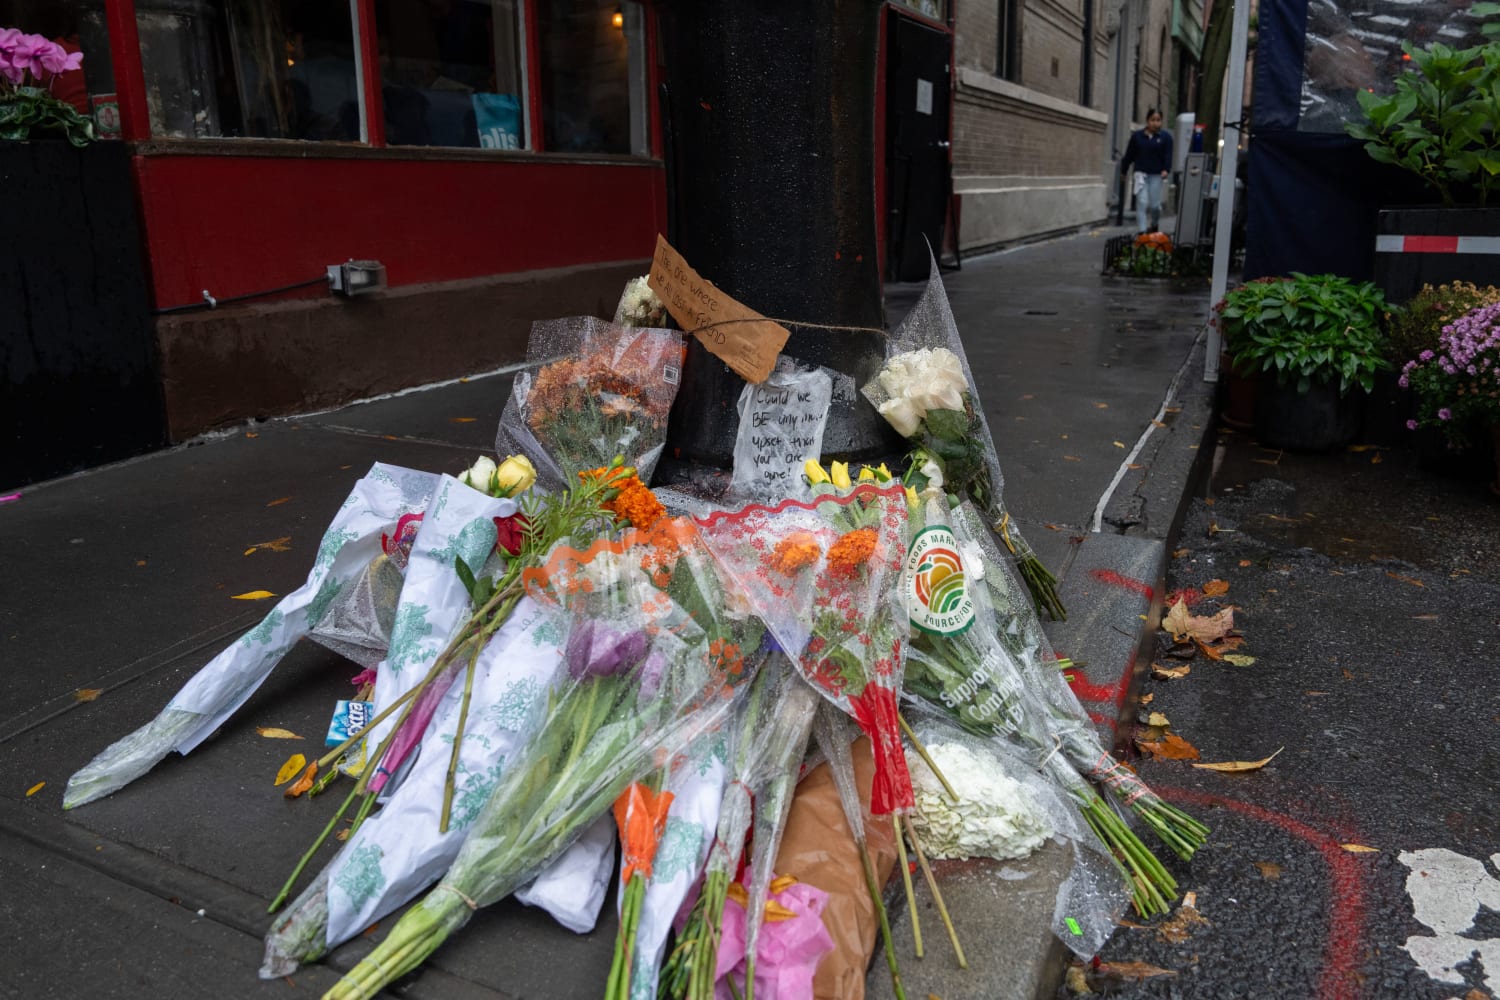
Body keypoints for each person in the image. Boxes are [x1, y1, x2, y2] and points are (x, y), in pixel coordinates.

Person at [1120, 108, 1173, 234]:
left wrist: (1166, 169)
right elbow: (1129, 155)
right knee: (1142, 203)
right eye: (1153, 120)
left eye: (1158, 120)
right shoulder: (1137, 137)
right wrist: (1124, 170)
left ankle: (1154, 224)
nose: (1155, 123)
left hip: (1156, 175)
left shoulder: (1165, 138)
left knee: (1155, 206)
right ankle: (1142, 232)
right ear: (1147, 121)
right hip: (1141, 175)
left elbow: (1168, 155)